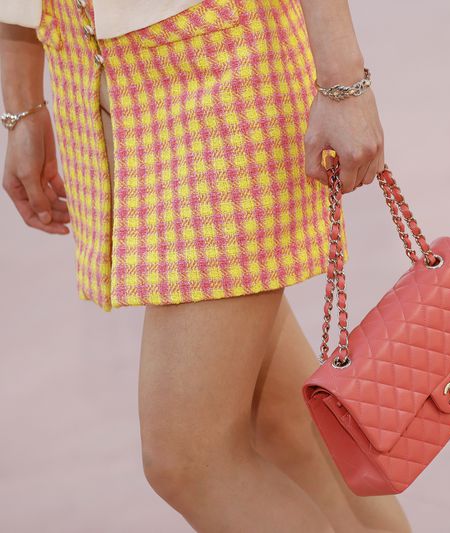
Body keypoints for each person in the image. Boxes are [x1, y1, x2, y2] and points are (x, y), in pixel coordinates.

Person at [0, 0, 412, 531]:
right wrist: (22, 105)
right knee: (284, 425)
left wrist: (343, 81)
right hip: (91, 75)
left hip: (223, 66)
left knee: (187, 460)